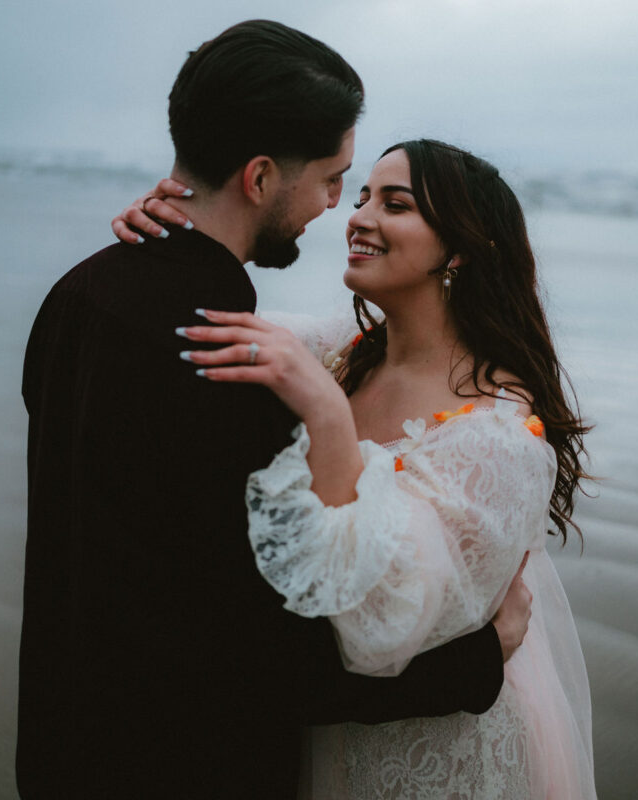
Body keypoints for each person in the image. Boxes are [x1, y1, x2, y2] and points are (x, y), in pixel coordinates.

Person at [18, 21, 529, 800]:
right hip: (184, 771)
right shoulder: (234, 366)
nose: (338, 209)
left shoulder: (79, 295)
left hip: (60, 748)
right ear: (258, 176)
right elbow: (265, 659)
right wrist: (475, 661)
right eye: (335, 181)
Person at [117, 138, 597, 798]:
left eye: (394, 203)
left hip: (431, 750)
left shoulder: (501, 436)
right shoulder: (345, 352)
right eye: (363, 194)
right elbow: (209, 326)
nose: (359, 215)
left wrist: (325, 415)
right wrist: (171, 230)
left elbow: (376, 623)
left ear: (458, 249)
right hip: (331, 736)